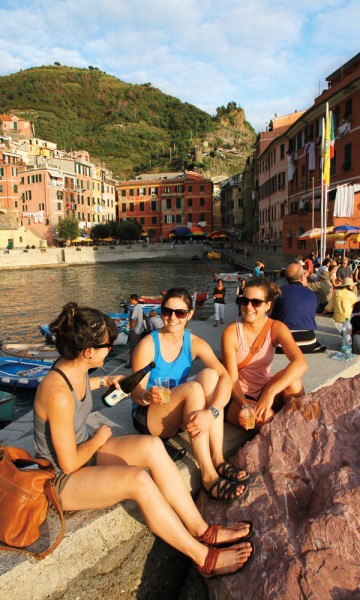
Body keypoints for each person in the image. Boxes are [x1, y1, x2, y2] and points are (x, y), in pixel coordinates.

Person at [33, 302, 255, 577]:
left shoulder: (71, 368)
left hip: (84, 453)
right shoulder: (57, 395)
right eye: (107, 345)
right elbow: (67, 464)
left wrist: (104, 382)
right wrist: (100, 435)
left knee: (152, 446)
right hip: (60, 480)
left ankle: (202, 529)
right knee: (138, 479)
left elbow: (75, 384)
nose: (111, 348)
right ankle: (203, 557)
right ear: (89, 352)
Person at [131, 288, 249, 503]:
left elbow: (226, 377)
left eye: (180, 313)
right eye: (167, 311)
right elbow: (135, 393)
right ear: (161, 312)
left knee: (212, 375)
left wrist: (211, 413)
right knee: (194, 388)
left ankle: (218, 459)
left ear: (190, 314)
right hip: (149, 416)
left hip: (176, 410)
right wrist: (147, 395)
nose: (172, 318)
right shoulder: (148, 345)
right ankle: (208, 475)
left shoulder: (194, 343)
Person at [221, 278, 307, 429]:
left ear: (268, 305)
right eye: (244, 300)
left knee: (294, 382)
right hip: (238, 396)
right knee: (266, 417)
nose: (248, 307)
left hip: (265, 389)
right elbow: (232, 379)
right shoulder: (231, 332)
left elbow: (300, 363)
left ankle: (297, 429)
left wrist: (270, 392)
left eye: (256, 302)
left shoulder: (276, 327)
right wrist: (245, 405)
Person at [270, 262, 326, 353]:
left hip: (282, 345)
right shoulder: (312, 294)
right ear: (302, 277)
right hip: (308, 343)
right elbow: (312, 312)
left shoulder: (279, 293)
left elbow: (272, 317)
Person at [128, 293, 144, 367]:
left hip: (135, 330)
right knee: (137, 346)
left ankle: (132, 363)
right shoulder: (139, 307)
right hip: (140, 330)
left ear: (133, 299)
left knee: (133, 347)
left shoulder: (135, 308)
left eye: (130, 299)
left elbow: (134, 319)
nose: (130, 301)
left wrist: (132, 328)